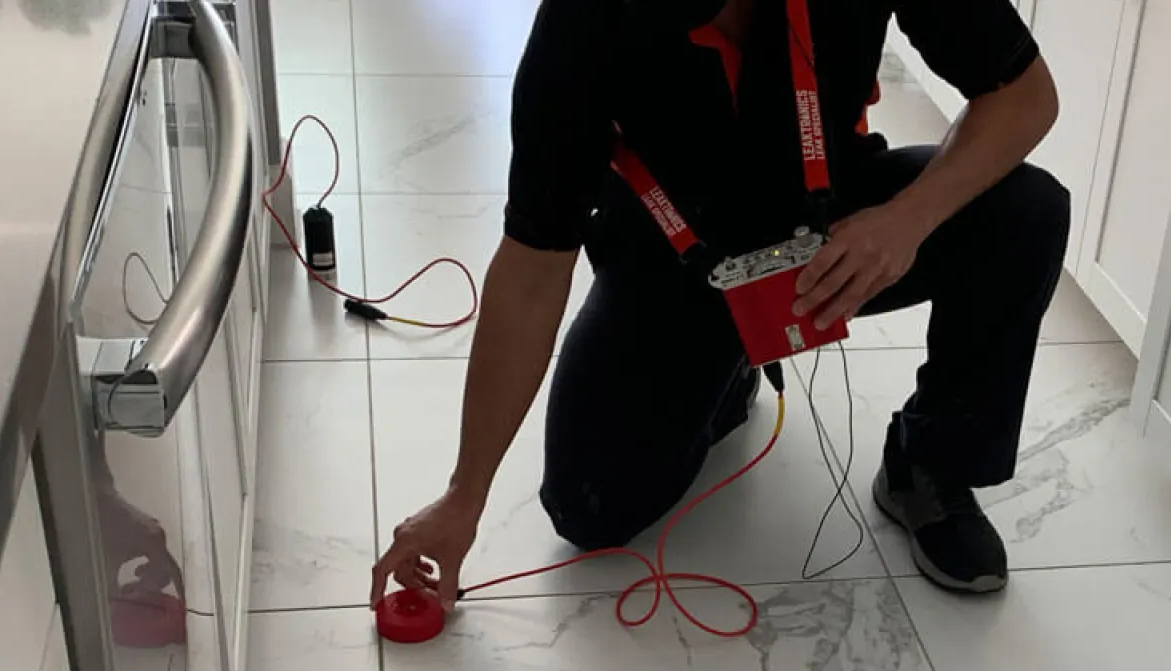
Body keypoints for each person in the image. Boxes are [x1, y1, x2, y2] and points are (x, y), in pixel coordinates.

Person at [371, 0, 1067, 611]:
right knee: (591, 509)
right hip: (677, 249)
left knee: (1025, 213)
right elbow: (532, 265)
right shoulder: (585, 19)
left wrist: (906, 221)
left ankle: (931, 463)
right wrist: (464, 495)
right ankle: (728, 369)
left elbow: (1025, 97)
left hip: (832, 220)